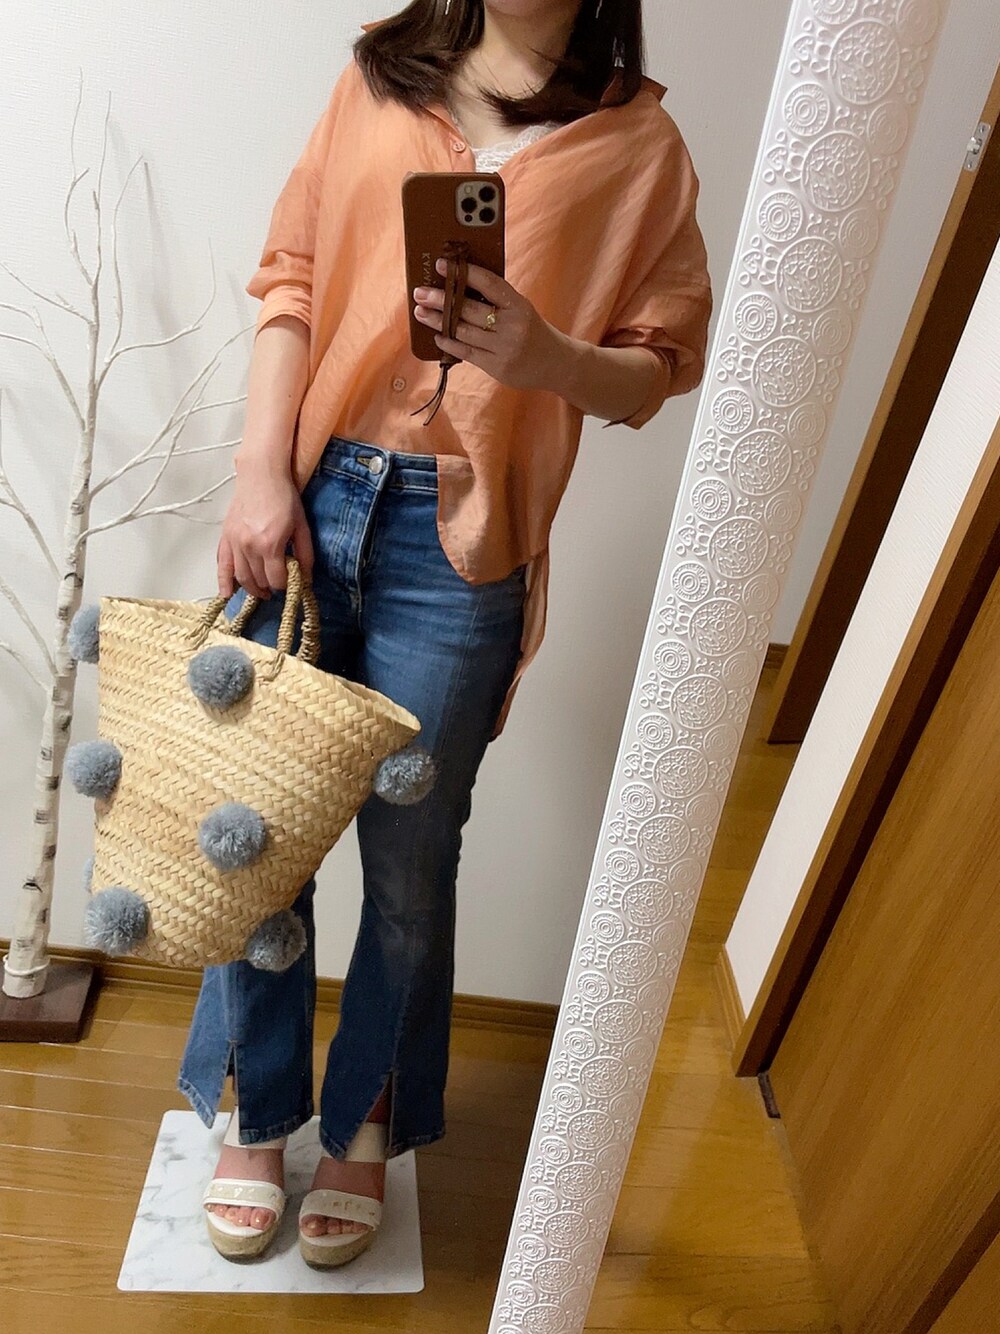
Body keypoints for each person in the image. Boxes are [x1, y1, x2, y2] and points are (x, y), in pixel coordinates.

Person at [179, 0, 712, 1267]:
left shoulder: (637, 145)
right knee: (256, 827)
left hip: (459, 544)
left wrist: (545, 355)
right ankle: (258, 1103)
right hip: (313, 495)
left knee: (411, 862)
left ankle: (364, 1122)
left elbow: (660, 362)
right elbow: (291, 280)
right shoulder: (380, 80)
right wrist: (259, 473)